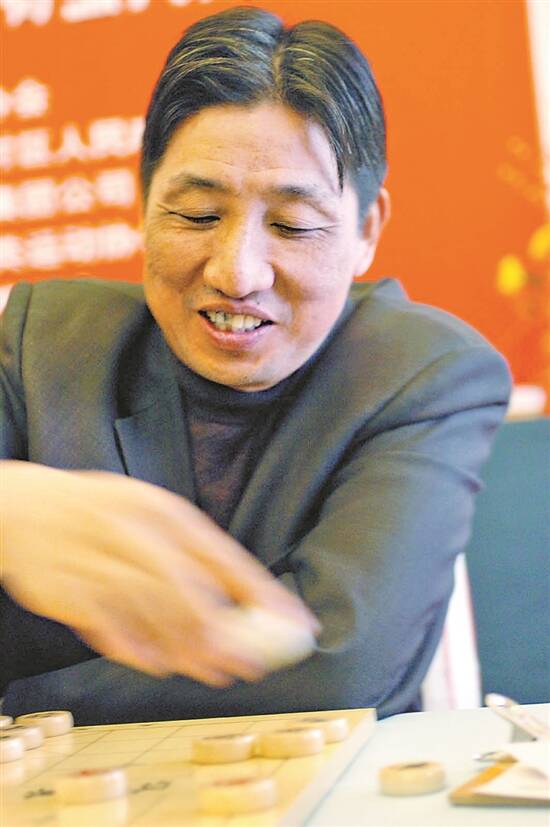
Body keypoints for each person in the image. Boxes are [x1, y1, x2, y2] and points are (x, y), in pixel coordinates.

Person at [0, 6, 510, 725]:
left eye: (292, 226)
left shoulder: (424, 373)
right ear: (143, 204)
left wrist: (19, 708)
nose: (237, 273)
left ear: (367, 230)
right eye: (198, 215)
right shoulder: (42, 341)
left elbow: (337, 664)